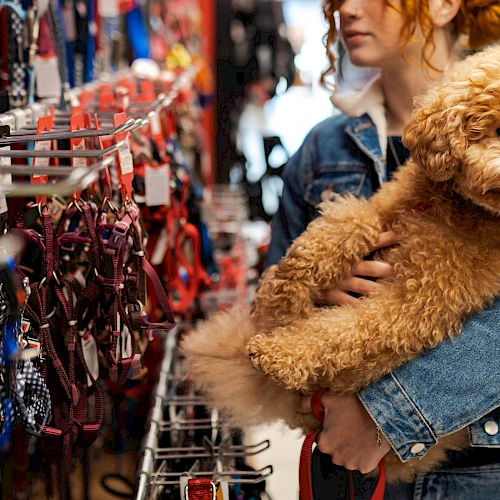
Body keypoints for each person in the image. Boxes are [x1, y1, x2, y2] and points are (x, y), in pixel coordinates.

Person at [266, 0, 500, 497]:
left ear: (442, 5)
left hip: (479, 468)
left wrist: (385, 415)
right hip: (347, 464)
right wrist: (312, 290)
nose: (348, 9)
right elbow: (266, 307)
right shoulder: (323, 150)